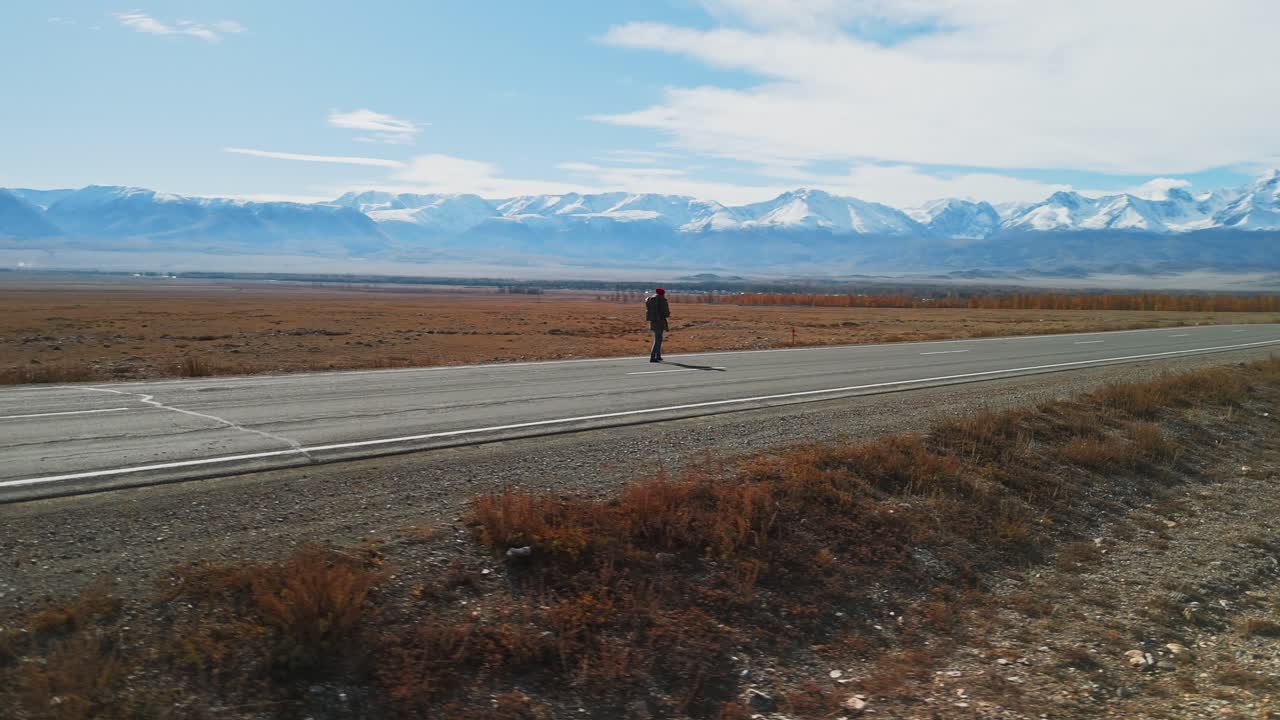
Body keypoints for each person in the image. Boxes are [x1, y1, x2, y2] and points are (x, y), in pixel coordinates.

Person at [644, 288, 670, 362]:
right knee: (658, 340)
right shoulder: (662, 300)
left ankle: (658, 356)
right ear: (662, 293)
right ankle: (653, 357)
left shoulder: (651, 299)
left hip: (653, 321)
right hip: (660, 321)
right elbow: (666, 312)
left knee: (658, 339)